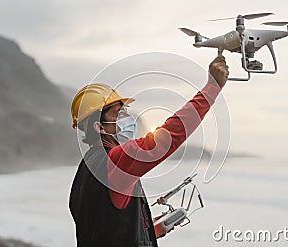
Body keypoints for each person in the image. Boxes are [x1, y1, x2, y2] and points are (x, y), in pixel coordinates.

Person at [69, 55, 229, 247]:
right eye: (118, 113)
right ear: (100, 127)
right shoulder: (116, 163)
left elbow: (105, 228)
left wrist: (149, 230)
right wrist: (212, 88)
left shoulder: (86, 169)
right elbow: (169, 136)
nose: (127, 116)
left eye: (125, 109)